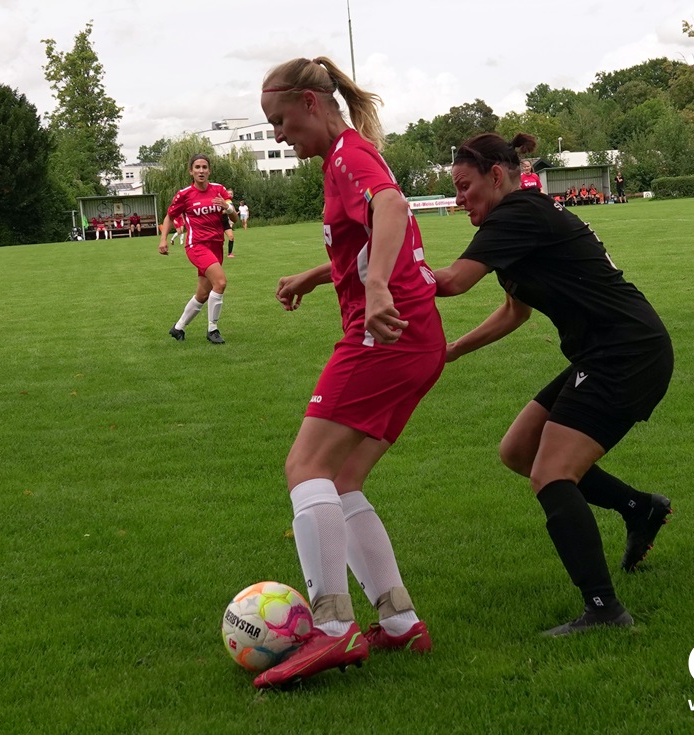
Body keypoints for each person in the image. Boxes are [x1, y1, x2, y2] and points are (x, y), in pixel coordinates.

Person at [433, 131, 674, 637]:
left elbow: (452, 282)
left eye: (464, 186)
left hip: (626, 352)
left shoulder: (518, 214)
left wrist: (370, 273)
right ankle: (639, 507)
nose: (459, 199)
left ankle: (604, 611)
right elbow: (515, 311)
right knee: (519, 450)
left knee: (551, 473)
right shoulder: (519, 219)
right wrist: (453, 350)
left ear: (495, 176)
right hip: (608, 351)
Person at [254, 55, 446, 690]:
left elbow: (391, 207)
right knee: (341, 480)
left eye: (280, 121)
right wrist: (320, 275)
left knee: (305, 467)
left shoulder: (349, 156)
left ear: (310, 103)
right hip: (416, 341)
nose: (278, 134)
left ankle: (332, 628)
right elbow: (366, 232)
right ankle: (399, 621)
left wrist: (378, 284)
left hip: (383, 337)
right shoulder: (344, 156)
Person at [158, 153, 237, 344]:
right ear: (191, 171)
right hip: (197, 245)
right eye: (197, 167)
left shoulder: (219, 190)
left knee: (202, 294)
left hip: (216, 245)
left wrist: (227, 208)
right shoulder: (184, 194)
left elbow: (234, 218)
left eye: (204, 167)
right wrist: (163, 240)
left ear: (209, 170)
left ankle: (178, 328)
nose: (201, 171)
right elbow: (170, 216)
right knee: (220, 282)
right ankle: (213, 330)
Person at [222, 189, 237, 257]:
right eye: (228, 193)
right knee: (219, 240)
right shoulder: (222, 201)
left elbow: (232, 211)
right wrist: (228, 210)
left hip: (225, 222)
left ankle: (230, 253)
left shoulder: (229, 201)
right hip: (218, 223)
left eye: (231, 194)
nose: (230, 195)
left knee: (231, 237)